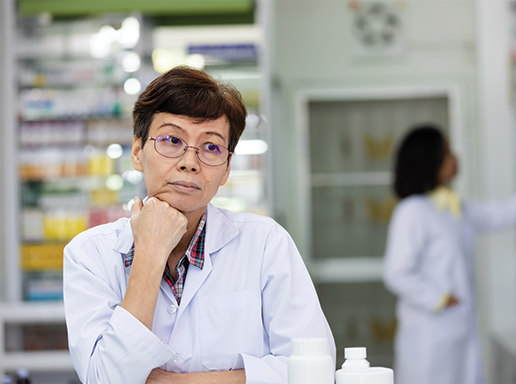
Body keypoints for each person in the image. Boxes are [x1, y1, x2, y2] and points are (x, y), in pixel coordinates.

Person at [63, 66, 335, 384]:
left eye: (211, 147)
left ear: (227, 169)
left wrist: (168, 382)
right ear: (137, 152)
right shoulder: (89, 254)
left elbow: (313, 371)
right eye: (171, 140)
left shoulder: (265, 243)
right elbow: (104, 379)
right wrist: (149, 255)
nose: (190, 162)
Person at [382, 125, 516, 384]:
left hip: (457, 332)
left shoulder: (454, 207)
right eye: (446, 153)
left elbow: (507, 212)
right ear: (428, 161)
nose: (455, 157)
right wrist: (440, 299)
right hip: (429, 338)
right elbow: (396, 273)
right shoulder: (412, 212)